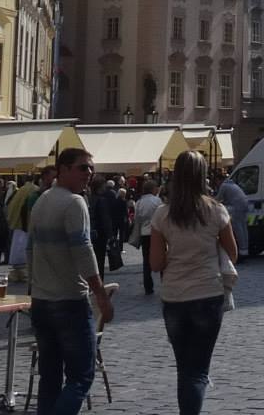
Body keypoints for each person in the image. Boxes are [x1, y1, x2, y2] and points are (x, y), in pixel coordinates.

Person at [30, 148, 116, 415]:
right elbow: (83, 251)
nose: (89, 173)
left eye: (91, 168)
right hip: (68, 301)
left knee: (50, 378)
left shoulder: (42, 200)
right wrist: (100, 294)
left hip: (42, 301)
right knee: (81, 376)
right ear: (63, 170)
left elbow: (31, 249)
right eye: (82, 167)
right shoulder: (74, 202)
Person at [150, 150, 237, 415]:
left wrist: (175, 253)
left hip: (174, 297)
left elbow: (155, 263)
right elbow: (233, 253)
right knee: (198, 370)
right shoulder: (216, 211)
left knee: (184, 369)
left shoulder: (162, 214)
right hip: (207, 294)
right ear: (202, 176)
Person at [134, 177, 164, 294]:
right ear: (153, 189)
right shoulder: (157, 201)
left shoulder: (139, 202)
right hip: (157, 232)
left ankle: (148, 286)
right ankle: (164, 283)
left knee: (146, 260)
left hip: (144, 233)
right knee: (162, 257)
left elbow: (137, 219)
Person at [214, 170, 249, 262]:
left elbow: (217, 199)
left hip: (236, 207)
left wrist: (209, 200)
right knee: (243, 228)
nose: (216, 183)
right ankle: (245, 250)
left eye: (216, 181)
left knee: (238, 228)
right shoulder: (232, 184)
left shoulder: (224, 185)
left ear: (219, 179)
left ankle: (242, 252)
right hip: (244, 205)